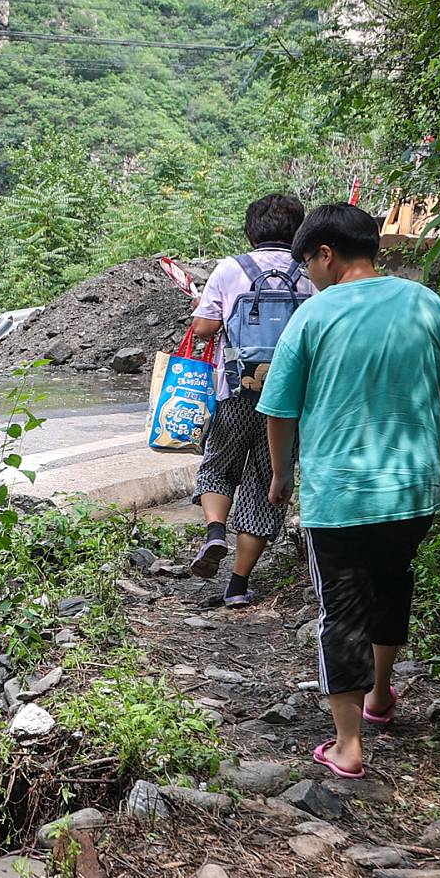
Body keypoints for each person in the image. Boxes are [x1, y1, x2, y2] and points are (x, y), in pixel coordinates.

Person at [261, 201, 440, 777]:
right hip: (413, 491)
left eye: (307, 261)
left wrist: (281, 475)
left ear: (326, 255)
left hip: (340, 496)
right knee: (391, 584)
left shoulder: (312, 317)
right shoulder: (427, 304)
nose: (308, 273)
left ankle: (348, 745)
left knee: (343, 611)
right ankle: (382, 696)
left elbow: (280, 412)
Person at [184, 193, 313, 604]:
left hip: (237, 391)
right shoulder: (312, 271)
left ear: (251, 229)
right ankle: (238, 585)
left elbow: (204, 329)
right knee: (269, 483)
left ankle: (216, 531)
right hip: (290, 397)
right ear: (299, 230)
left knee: (219, 464)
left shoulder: (230, 268)